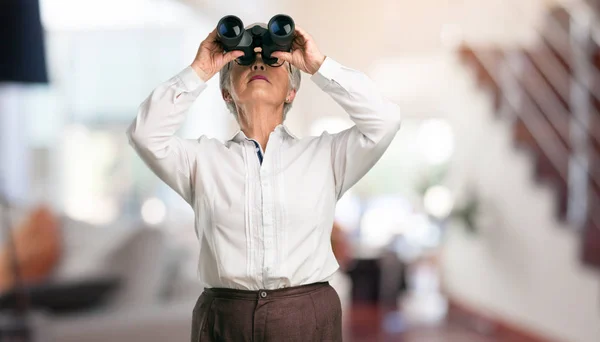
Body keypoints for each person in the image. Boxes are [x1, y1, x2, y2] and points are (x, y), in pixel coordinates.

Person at [126, 21, 401, 342]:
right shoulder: (200, 159)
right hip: (224, 317)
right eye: (243, 59)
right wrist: (200, 69)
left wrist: (319, 66)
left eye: (273, 59)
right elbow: (144, 134)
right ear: (226, 92)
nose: (258, 62)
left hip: (307, 314)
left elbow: (385, 122)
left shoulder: (326, 155)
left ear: (292, 91)